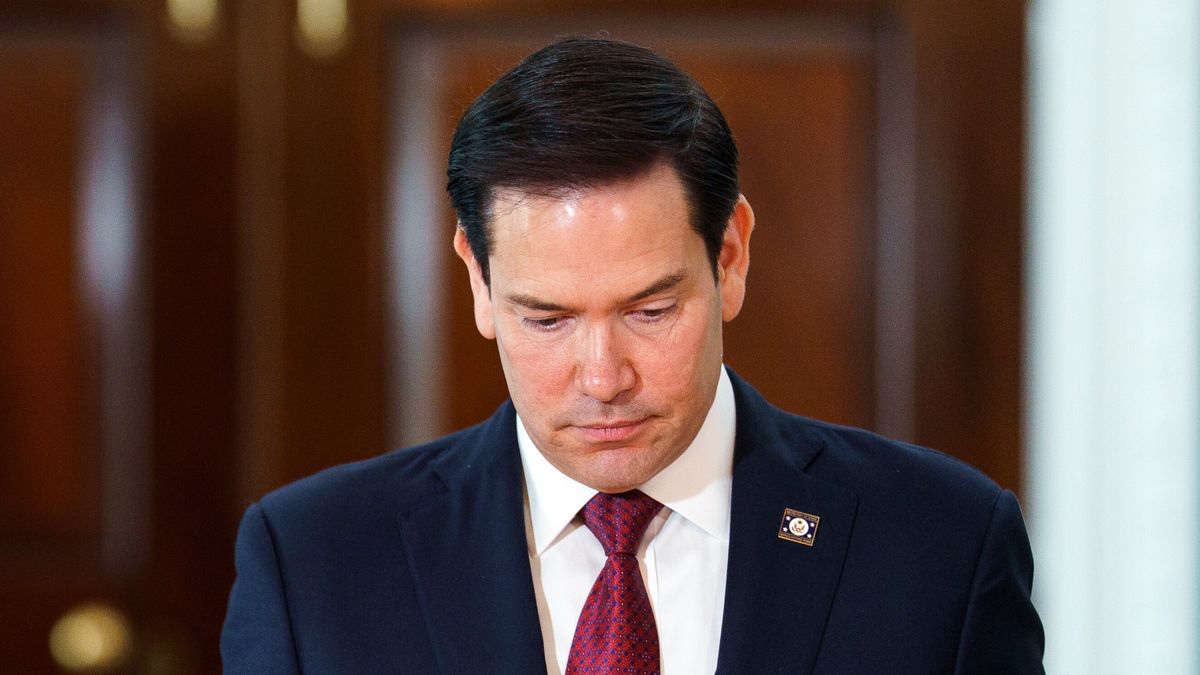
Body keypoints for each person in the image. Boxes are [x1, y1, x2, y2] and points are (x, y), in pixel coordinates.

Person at [221, 37, 1044, 674]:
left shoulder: (944, 544)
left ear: (730, 256)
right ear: (477, 279)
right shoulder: (313, 564)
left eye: (650, 310)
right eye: (546, 319)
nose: (604, 378)